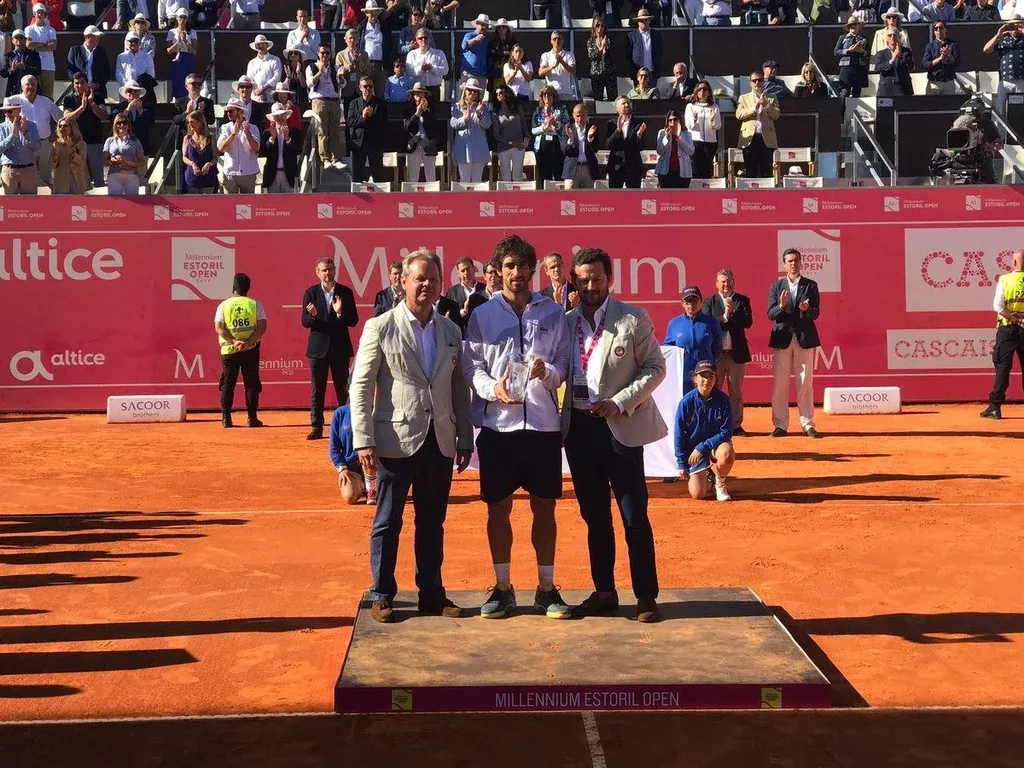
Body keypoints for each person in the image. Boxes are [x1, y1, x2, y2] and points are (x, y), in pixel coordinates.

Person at [350, 249, 473, 623]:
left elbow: (457, 387)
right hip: (395, 441)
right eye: (420, 278)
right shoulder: (380, 326)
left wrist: (464, 437)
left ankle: (431, 593)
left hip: (439, 440)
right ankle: (382, 592)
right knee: (388, 521)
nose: (427, 285)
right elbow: (361, 386)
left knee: (432, 522)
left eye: (433, 280)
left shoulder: (451, 330)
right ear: (403, 282)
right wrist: (363, 439)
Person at [462, 234, 572, 621]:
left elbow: (564, 366)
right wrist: (492, 388)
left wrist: (548, 372)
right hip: (498, 427)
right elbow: (471, 367)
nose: (517, 272)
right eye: (509, 266)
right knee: (498, 509)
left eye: (523, 265)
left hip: (542, 426)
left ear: (532, 269)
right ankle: (503, 587)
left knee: (545, 508)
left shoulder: (553, 313)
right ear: (498, 270)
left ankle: (546, 588)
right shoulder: (482, 315)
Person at [561, 247, 667, 622]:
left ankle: (646, 597)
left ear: (610, 279)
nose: (590, 286)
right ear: (574, 282)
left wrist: (620, 402)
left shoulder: (632, 318)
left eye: (597, 279)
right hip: (579, 430)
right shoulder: (565, 323)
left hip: (620, 428)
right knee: (594, 517)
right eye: (583, 280)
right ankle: (604, 592)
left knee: (633, 516)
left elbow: (655, 368)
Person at [302, 257, 358, 441]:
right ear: (317, 273)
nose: (328, 273)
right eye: (324, 270)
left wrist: (340, 313)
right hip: (318, 349)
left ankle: (346, 428)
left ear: (335, 270)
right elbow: (305, 322)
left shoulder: (345, 292)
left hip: (339, 348)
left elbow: (354, 320)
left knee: (343, 389)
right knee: (317, 390)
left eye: (330, 269)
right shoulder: (310, 293)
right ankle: (316, 426)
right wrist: (313, 316)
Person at [768, 247, 822, 438]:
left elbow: (816, 313)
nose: (793, 264)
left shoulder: (811, 285)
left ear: (801, 263)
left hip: (804, 339)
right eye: (789, 261)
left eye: (796, 260)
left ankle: (807, 424)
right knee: (780, 384)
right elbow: (770, 314)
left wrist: (807, 309)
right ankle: (780, 425)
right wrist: (781, 306)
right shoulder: (776, 286)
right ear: (784, 264)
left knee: (805, 383)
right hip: (782, 339)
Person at [674, 360, 735, 502]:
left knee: (726, 453)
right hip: (694, 452)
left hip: (714, 447)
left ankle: (719, 483)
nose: (707, 380)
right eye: (703, 376)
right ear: (695, 378)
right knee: (698, 494)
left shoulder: (723, 400)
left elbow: (726, 431)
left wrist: (702, 447)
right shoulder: (686, 402)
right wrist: (682, 463)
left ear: (715, 379)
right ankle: (708, 475)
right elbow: (679, 434)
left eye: (711, 376)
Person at [214, 272, 266, 429]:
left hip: (229, 352)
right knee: (251, 383)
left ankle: (226, 419)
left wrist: (234, 342)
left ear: (233, 288)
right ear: (248, 288)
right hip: (250, 350)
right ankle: (252, 418)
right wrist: (247, 343)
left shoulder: (223, 306)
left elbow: (219, 328)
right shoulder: (255, 305)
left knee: (228, 383)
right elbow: (262, 328)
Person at [704, 269, 752, 436]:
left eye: (729, 281)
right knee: (713, 389)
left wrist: (730, 315)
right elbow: (709, 323)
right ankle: (713, 424)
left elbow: (748, 322)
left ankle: (736, 425)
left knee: (736, 391)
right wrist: (725, 316)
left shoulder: (742, 300)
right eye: (723, 281)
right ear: (717, 284)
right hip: (716, 355)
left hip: (736, 354)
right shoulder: (709, 302)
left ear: (734, 281)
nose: (726, 284)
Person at [981, 249, 1024, 419]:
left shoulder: (1005, 280)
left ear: (1014, 262)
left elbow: (998, 307)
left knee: (1002, 367)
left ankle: (995, 407)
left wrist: (1014, 319)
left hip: (1007, 329)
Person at [664, 285, 723, 393]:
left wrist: (707, 361)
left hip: (705, 377)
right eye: (687, 301)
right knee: (684, 402)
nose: (691, 304)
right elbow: (668, 349)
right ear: (682, 303)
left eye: (694, 300)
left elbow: (717, 348)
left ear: (701, 302)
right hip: (682, 376)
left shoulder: (712, 323)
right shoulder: (674, 323)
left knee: (706, 402)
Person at [63, 72, 107, 188]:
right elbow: (67, 118)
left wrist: (92, 103)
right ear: (73, 85)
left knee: (98, 179)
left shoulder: (98, 97)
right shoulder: (69, 99)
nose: (79, 85)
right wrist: (82, 108)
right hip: (76, 143)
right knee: (78, 178)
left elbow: (103, 115)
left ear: (87, 83)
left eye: (82, 82)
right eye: (76, 83)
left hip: (94, 142)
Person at [18, 73, 61, 188]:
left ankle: (45, 198)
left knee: (46, 175)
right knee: (28, 176)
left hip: (44, 144)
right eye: (28, 84)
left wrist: (57, 135)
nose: (31, 87)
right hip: (26, 145)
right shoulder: (14, 100)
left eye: (33, 85)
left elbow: (60, 118)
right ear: (22, 87)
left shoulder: (45, 101)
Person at [736, 70, 779, 179]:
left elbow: (776, 115)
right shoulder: (743, 98)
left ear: (763, 81)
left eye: (759, 80)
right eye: (754, 80)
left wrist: (767, 105)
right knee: (751, 172)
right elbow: (739, 115)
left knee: (767, 172)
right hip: (750, 138)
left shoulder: (772, 97)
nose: (757, 83)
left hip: (766, 138)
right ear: (750, 83)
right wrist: (754, 108)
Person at [347, 75, 386, 183]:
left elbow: (383, 123)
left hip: (375, 143)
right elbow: (350, 122)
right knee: (357, 176)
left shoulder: (380, 103)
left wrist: (372, 115)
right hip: (358, 143)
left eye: (370, 86)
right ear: (360, 88)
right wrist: (363, 117)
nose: (368, 89)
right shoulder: (354, 103)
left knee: (378, 175)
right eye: (365, 86)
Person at [308, 44, 342, 170]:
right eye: (323, 53)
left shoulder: (334, 67)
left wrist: (341, 77)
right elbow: (310, 83)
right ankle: (325, 159)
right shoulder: (312, 67)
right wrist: (320, 72)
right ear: (318, 54)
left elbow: (342, 84)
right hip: (320, 100)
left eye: (328, 53)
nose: (325, 55)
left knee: (335, 131)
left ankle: (335, 158)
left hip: (334, 100)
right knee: (322, 131)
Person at [217, 97, 259, 193]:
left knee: (248, 202)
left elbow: (255, 149)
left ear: (240, 112)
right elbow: (221, 148)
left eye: (231, 111)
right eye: (227, 111)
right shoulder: (225, 127)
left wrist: (247, 133)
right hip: (230, 173)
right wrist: (233, 134)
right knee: (229, 202)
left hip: (248, 172)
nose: (228, 114)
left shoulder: (253, 128)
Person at [0, 95, 41, 195]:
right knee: (9, 203)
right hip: (9, 171)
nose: (6, 114)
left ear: (18, 110)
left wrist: (26, 133)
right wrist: (12, 136)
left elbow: (37, 147)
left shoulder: (31, 126)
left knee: (30, 203)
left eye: (9, 111)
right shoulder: (1, 128)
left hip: (28, 171)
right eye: (4, 112)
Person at [329, 405, 368, 505]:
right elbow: (334, 447)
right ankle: (362, 486)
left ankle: (371, 487)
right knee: (350, 497)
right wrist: (342, 468)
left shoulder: (376, 410)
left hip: (373, 466)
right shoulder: (340, 413)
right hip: (351, 468)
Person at [984, 19, 1024, 115]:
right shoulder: (1002, 40)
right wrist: (998, 35)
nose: (1014, 29)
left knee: (1021, 109)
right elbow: (986, 49)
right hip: (1005, 81)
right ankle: (1001, 125)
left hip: (1021, 79)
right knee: (1001, 109)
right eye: (1011, 26)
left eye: (1016, 26)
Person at [260, 102, 300, 193]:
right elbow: (263, 152)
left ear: (286, 116)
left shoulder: (294, 132)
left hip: (289, 175)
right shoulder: (267, 133)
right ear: (273, 118)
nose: (280, 117)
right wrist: (272, 138)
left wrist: (287, 138)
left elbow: (298, 150)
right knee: (272, 201)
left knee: (290, 200)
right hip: (272, 175)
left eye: (282, 115)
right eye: (277, 115)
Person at [606, 95, 646, 188]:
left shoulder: (639, 123)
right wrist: (618, 130)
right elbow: (608, 144)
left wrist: (639, 136)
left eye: (628, 103)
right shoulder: (611, 123)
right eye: (623, 103)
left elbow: (642, 146)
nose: (627, 105)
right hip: (616, 167)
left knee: (633, 195)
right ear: (617, 108)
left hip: (633, 168)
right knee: (615, 195)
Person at [531, 85, 569, 183]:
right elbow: (533, 130)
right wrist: (544, 127)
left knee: (558, 171)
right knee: (544, 173)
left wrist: (556, 124)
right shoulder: (538, 111)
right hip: (542, 143)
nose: (547, 96)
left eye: (549, 94)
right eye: (544, 95)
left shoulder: (561, 109)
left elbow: (567, 125)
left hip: (557, 142)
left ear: (554, 96)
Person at [102, 111, 145, 194]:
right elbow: (103, 162)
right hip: (114, 175)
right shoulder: (109, 141)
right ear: (115, 125)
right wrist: (112, 161)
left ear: (128, 125)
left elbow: (142, 162)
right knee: (115, 201)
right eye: (119, 123)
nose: (122, 125)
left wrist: (128, 163)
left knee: (133, 201)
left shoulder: (135, 141)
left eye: (124, 123)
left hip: (131, 175)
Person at [403, 82, 438, 183]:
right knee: (413, 176)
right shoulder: (408, 110)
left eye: (421, 93)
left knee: (430, 176)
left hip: (428, 144)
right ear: (413, 95)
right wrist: (417, 113)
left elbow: (434, 127)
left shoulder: (431, 109)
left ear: (425, 95)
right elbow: (406, 127)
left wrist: (425, 111)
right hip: (414, 144)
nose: (419, 95)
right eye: (417, 93)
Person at [66, 25, 111, 102]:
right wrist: (80, 83)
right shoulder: (75, 50)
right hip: (79, 92)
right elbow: (70, 70)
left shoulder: (101, 51)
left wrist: (98, 84)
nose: (97, 39)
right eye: (94, 37)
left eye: (98, 37)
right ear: (86, 37)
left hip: (98, 91)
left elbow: (107, 71)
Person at [355, 0, 390, 98]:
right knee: (364, 93)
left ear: (378, 12)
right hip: (365, 64)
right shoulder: (361, 27)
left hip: (380, 65)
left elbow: (389, 45)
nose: (372, 14)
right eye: (370, 12)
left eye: (375, 11)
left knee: (380, 93)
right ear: (366, 13)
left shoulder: (384, 27)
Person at [561, 101, 600, 189]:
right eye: (578, 116)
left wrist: (590, 137)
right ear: (573, 115)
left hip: (588, 168)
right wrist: (570, 140)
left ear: (587, 115)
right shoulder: (568, 129)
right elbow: (565, 150)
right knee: (570, 196)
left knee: (588, 197)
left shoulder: (592, 128)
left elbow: (596, 148)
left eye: (583, 116)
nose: (580, 118)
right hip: (572, 169)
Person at [685, 80, 719, 179]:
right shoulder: (691, 106)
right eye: (699, 89)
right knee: (695, 170)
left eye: (704, 89)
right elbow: (689, 126)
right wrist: (695, 119)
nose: (702, 91)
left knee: (707, 171)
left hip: (710, 142)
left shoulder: (714, 107)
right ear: (696, 92)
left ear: (709, 92)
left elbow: (718, 126)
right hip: (695, 141)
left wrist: (712, 120)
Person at [492, 83, 526, 182]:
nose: (498, 95)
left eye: (501, 93)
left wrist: (526, 140)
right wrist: (511, 143)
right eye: (497, 94)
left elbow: (523, 125)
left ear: (507, 93)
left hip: (519, 146)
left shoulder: (517, 108)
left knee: (517, 177)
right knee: (505, 178)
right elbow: (497, 135)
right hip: (504, 148)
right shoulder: (495, 112)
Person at [49, 116, 90, 193]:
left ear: (72, 127)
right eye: (60, 126)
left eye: (65, 126)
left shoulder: (80, 143)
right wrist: (56, 153)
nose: (62, 128)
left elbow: (81, 162)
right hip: (61, 182)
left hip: (76, 180)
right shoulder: (57, 143)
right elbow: (51, 165)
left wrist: (70, 149)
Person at [405, 27, 449, 98]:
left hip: (434, 89)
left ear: (429, 38)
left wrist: (432, 68)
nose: (423, 40)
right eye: (420, 38)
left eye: (425, 37)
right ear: (416, 40)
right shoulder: (411, 54)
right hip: (418, 90)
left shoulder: (439, 53)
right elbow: (409, 72)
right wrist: (421, 69)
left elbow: (445, 71)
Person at [655, 109, 693, 188]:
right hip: (665, 172)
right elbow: (659, 151)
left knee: (682, 195)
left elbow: (691, 151)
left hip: (683, 173)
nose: (672, 123)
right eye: (670, 120)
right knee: (666, 195)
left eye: (675, 120)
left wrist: (678, 138)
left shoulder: (687, 134)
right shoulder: (662, 133)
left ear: (680, 121)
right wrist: (666, 138)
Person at [181, 109, 217, 193]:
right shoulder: (187, 138)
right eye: (188, 122)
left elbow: (215, 157)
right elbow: (184, 157)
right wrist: (192, 164)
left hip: (208, 178)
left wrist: (209, 164)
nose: (189, 124)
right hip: (192, 178)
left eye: (192, 122)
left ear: (200, 122)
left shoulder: (210, 138)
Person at [24, 4, 56, 99]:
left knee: (48, 93)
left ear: (44, 14)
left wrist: (36, 47)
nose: (40, 14)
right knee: (35, 92)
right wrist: (44, 44)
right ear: (34, 14)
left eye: (42, 12)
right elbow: (29, 44)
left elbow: (53, 46)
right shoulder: (29, 29)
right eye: (38, 12)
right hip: (34, 64)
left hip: (48, 65)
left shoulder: (51, 30)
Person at [165, 10, 195, 101]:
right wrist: (177, 43)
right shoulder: (171, 32)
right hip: (176, 60)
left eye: (184, 18)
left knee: (188, 81)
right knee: (177, 82)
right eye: (180, 17)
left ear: (187, 19)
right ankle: (177, 101)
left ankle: (189, 100)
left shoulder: (192, 32)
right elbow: (168, 50)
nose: (182, 20)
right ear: (177, 18)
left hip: (187, 60)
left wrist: (185, 41)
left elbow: (194, 51)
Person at [923, 21, 960, 96]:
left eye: (941, 28)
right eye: (936, 29)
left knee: (950, 103)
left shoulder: (953, 44)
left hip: (948, 82)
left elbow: (957, 62)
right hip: (934, 82)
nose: (938, 30)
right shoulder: (930, 46)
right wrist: (940, 58)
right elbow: (926, 64)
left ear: (945, 29)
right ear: (934, 32)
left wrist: (948, 55)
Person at [117, 78, 153, 154]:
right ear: (126, 94)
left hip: (142, 146)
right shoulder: (119, 107)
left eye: (135, 91)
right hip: (124, 146)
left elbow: (151, 123)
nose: (132, 93)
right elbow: (115, 122)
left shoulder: (147, 106)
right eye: (130, 90)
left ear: (139, 93)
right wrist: (127, 110)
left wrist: (141, 110)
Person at [875, 29, 915, 97]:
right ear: (886, 38)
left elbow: (911, 67)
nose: (892, 37)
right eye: (889, 35)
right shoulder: (881, 53)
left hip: (904, 90)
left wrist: (900, 56)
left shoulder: (906, 52)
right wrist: (891, 60)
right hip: (886, 90)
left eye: (894, 35)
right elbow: (877, 68)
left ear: (899, 37)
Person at [835, 17, 869, 99]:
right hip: (846, 68)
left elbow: (868, 53)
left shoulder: (864, 39)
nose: (853, 26)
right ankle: (842, 107)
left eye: (855, 24)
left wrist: (862, 51)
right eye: (851, 25)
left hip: (859, 68)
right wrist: (848, 50)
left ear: (858, 26)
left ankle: (855, 108)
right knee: (845, 92)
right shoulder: (843, 38)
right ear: (848, 27)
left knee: (857, 93)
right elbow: (836, 51)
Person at [2, 30, 41, 99]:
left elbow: (38, 70)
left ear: (25, 40)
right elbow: (3, 73)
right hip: (13, 90)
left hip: (30, 91)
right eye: (16, 38)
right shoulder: (8, 56)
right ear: (12, 40)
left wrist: (25, 67)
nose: (19, 40)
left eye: (21, 38)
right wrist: (12, 70)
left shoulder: (34, 54)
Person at [539, 29, 576, 99]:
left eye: (559, 39)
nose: (557, 41)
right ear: (551, 41)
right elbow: (540, 72)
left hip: (566, 92)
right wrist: (553, 66)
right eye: (554, 39)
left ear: (562, 40)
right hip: (551, 94)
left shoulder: (569, 54)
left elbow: (573, 71)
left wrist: (561, 61)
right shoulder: (546, 55)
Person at [587, 16, 617, 101]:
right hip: (596, 74)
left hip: (609, 72)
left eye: (602, 26)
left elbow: (613, 56)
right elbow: (592, 56)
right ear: (594, 27)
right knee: (598, 99)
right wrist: (600, 48)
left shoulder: (609, 40)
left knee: (613, 98)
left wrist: (606, 47)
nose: (600, 28)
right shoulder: (591, 41)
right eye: (597, 26)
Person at [246, 34, 282, 104]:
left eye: (263, 44)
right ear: (255, 47)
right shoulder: (251, 63)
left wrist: (263, 88)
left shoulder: (275, 60)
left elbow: (277, 78)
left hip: (271, 97)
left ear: (267, 45)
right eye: (258, 45)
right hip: (255, 98)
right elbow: (249, 80)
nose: (261, 46)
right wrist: (257, 90)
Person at [626, 8, 660, 82]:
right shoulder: (631, 35)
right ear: (638, 22)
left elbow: (660, 51)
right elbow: (628, 54)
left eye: (646, 20)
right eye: (641, 20)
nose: (644, 22)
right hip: (638, 73)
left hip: (652, 72)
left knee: (652, 89)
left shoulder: (656, 35)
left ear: (649, 20)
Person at [487, 17, 515, 96]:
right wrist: (502, 53)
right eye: (499, 27)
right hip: (497, 71)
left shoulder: (512, 42)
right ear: (497, 29)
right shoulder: (493, 43)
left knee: (508, 92)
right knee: (497, 92)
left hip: (509, 70)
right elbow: (490, 54)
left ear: (507, 29)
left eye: (504, 27)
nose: (501, 29)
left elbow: (517, 53)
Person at [460, 13, 489, 82]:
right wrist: (475, 39)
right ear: (476, 25)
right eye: (482, 25)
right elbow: (464, 46)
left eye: (485, 25)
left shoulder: (487, 40)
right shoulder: (469, 35)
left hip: (482, 75)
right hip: (469, 73)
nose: (484, 27)